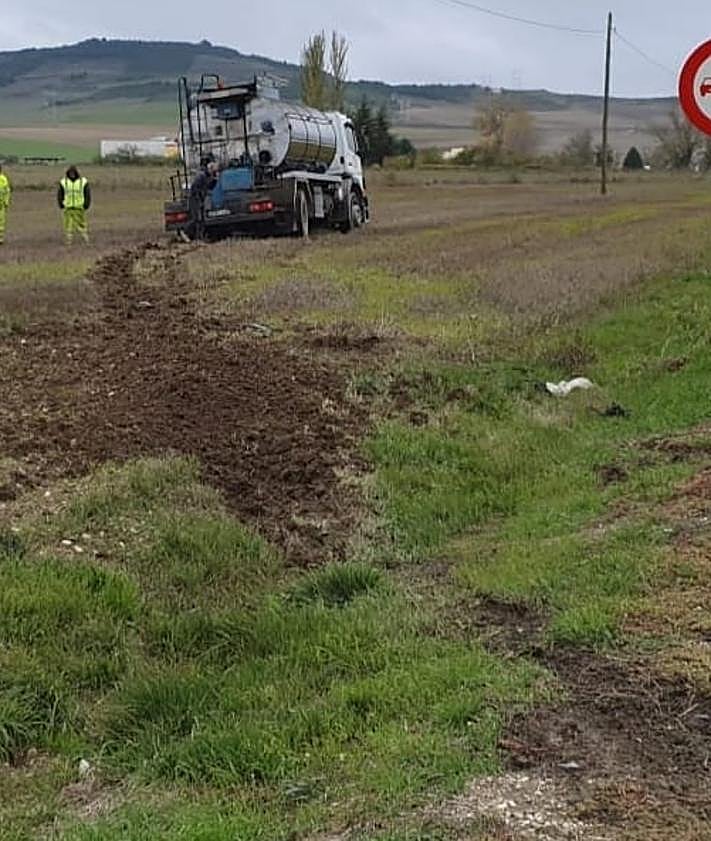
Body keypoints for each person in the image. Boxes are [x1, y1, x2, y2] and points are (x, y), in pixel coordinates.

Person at [184, 160, 219, 240]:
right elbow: (195, 188)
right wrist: (199, 198)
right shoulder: (201, 176)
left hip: (201, 199)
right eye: (214, 171)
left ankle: (200, 237)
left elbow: (209, 187)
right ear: (210, 169)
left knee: (202, 220)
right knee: (195, 218)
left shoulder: (207, 176)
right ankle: (185, 231)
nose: (214, 173)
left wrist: (215, 180)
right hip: (195, 199)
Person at [57, 165, 91, 245]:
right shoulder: (63, 182)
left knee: (81, 225)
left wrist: (86, 204)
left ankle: (85, 239)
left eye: (73, 173)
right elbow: (60, 194)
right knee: (68, 225)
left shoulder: (83, 182)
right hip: (68, 207)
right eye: (70, 173)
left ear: (76, 173)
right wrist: (61, 204)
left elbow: (87, 194)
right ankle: (69, 240)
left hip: (79, 207)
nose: (72, 174)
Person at [0, 162, 11, 245]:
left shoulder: (3, 179)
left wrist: (6, 202)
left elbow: (7, 191)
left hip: (1, 205)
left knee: (1, 222)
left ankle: (0, 239)